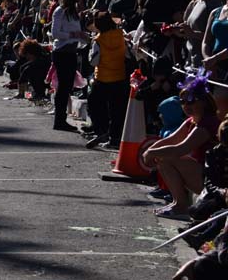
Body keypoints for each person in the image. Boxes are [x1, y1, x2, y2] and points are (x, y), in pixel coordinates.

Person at [143, 75, 221, 219]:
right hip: (201, 175)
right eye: (182, 102)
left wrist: (151, 152)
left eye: (190, 101)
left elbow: (181, 148)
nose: (186, 106)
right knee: (164, 157)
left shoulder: (207, 123)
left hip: (214, 182)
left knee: (167, 158)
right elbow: (170, 140)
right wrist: (150, 150)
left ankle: (181, 207)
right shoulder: (191, 121)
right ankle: (178, 202)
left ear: (203, 102)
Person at [86, 12, 129, 149]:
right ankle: (115, 137)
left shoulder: (98, 40)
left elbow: (93, 62)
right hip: (119, 77)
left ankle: (102, 131)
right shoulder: (122, 36)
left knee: (94, 105)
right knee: (116, 110)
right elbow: (127, 54)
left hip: (103, 78)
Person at [51, 0, 89, 132]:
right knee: (63, 87)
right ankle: (59, 120)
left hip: (72, 51)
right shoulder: (60, 11)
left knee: (67, 87)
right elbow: (55, 33)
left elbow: (79, 33)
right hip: (62, 52)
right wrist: (73, 35)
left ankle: (62, 119)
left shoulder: (74, 13)